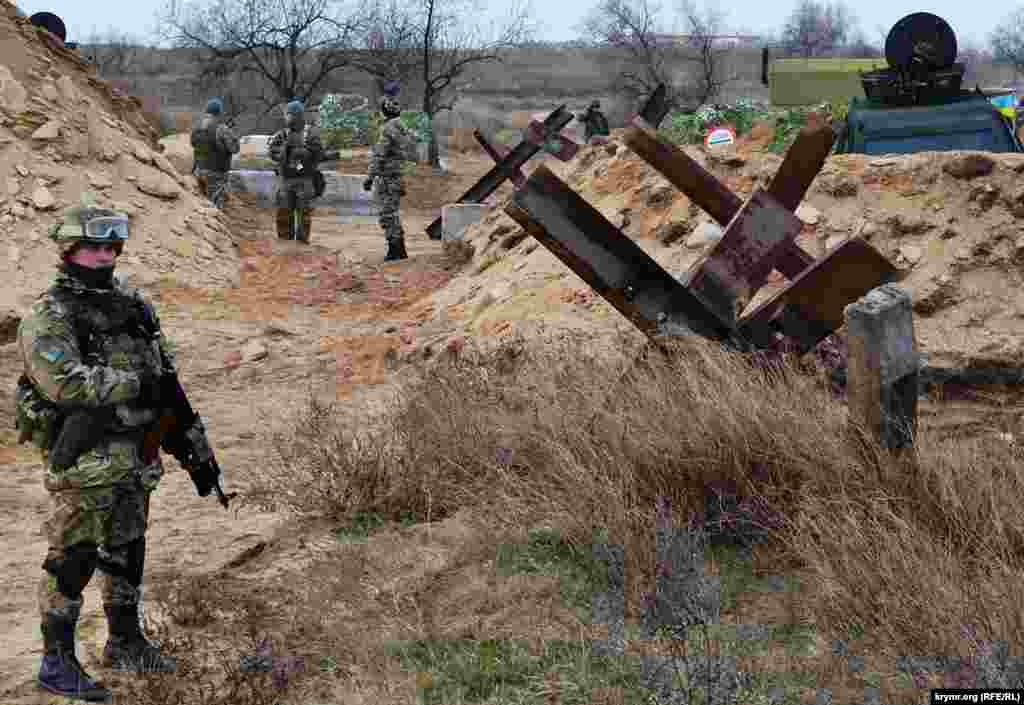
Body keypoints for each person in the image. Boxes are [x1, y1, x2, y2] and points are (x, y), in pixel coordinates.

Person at [16, 200, 217, 700]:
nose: (105, 255)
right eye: (93, 247)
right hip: (85, 459)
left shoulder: (134, 305)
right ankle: (56, 662)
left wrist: (191, 443)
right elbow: (64, 384)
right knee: (73, 558)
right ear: (68, 249)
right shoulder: (49, 314)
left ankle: (125, 641)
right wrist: (136, 384)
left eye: (112, 246)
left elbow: (166, 377)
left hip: (135, 454)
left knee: (128, 548)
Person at [363, 96, 417, 261]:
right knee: (392, 213)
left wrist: (369, 177)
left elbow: (379, 155)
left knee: (387, 214)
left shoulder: (387, 129)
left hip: (387, 178)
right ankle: (399, 250)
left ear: (384, 111)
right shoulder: (403, 128)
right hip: (397, 176)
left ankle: (395, 250)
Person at [268, 100, 326, 243]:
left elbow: (319, 153)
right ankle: (285, 243)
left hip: (304, 180)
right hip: (286, 180)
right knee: (283, 213)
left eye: (289, 115)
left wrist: (304, 153)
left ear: (297, 115)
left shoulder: (310, 133)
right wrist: (285, 152)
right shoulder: (282, 134)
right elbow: (272, 152)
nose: (286, 118)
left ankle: (301, 243)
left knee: (304, 215)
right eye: (286, 115)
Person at [190, 98, 240, 209]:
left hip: (199, 172)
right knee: (215, 208)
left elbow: (193, 143)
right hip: (216, 174)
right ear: (219, 112)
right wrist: (231, 132)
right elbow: (235, 148)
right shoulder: (222, 129)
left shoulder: (197, 127)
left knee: (201, 207)